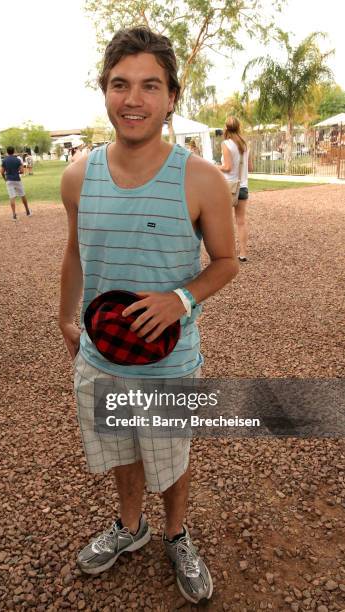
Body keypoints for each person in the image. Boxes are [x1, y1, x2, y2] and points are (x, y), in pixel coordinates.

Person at [59, 26, 238, 605]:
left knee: (170, 453)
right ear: (103, 90)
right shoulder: (77, 175)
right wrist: (66, 319)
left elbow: (227, 263)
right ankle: (129, 527)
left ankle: (176, 534)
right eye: (120, 84)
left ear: (171, 97)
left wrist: (180, 299)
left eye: (149, 85)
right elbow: (75, 250)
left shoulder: (202, 179)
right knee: (121, 450)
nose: (133, 99)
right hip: (102, 358)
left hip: (169, 364)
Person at [219, 116, 253, 262]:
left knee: (224, 220)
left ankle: (227, 253)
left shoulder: (226, 144)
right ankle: (243, 253)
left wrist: (214, 166)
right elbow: (250, 167)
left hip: (228, 187)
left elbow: (227, 167)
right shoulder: (245, 145)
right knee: (241, 221)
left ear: (226, 128)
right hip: (243, 186)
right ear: (239, 127)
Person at [1, 146, 31, 221]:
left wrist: (5, 179)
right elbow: (22, 171)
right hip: (17, 179)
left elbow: (2, 172)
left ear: (7, 152)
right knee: (22, 195)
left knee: (12, 197)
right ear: (13, 151)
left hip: (9, 180)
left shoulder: (4, 160)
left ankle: (14, 215)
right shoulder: (17, 160)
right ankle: (27, 211)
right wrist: (17, 172)